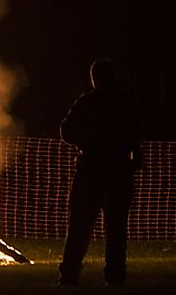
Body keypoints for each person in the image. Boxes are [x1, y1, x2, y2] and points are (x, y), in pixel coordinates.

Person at [58, 58, 142, 286]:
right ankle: (115, 276)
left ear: (95, 78)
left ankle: (69, 274)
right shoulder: (125, 103)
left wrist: (84, 143)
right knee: (116, 228)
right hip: (119, 171)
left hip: (91, 169)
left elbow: (66, 130)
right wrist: (133, 160)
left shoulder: (88, 102)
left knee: (79, 226)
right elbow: (137, 134)